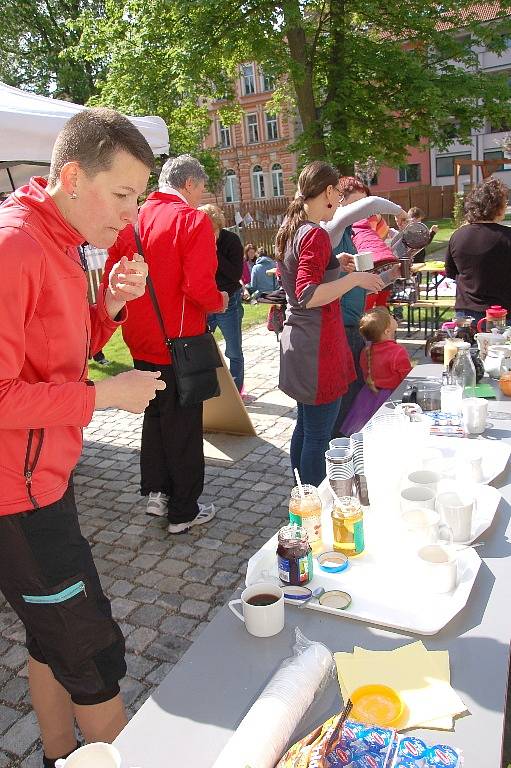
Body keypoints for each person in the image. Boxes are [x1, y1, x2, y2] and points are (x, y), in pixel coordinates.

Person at [0, 108, 166, 766]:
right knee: (91, 653)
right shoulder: (15, 246)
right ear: (71, 177)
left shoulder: (59, 238)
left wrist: (111, 309)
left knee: (50, 641)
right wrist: (104, 396)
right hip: (20, 498)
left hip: (44, 482)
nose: (130, 215)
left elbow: (60, 356)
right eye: (122, 195)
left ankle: (59, 756)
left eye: (138, 197)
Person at [103, 155, 228, 532]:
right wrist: (219, 300)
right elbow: (198, 285)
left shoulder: (133, 218)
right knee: (184, 426)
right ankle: (183, 510)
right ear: (189, 185)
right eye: (201, 188)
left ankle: (158, 495)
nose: (200, 195)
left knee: (155, 419)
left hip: (141, 340)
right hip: (179, 343)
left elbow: (116, 275)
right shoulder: (191, 219)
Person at [276, 161, 384, 487]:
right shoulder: (316, 235)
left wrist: (336, 265)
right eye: (338, 193)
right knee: (319, 435)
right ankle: (314, 503)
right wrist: (355, 280)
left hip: (301, 342)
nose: (339, 201)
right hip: (317, 348)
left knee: (307, 426)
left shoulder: (294, 228)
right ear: (327, 192)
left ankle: (302, 494)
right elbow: (307, 294)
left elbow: (302, 275)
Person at [321, 176, 405, 437]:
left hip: (356, 324)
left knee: (355, 392)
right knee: (344, 398)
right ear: (340, 202)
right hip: (341, 326)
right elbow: (370, 204)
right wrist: (401, 213)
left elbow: (367, 284)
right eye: (358, 206)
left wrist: (392, 274)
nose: (364, 213)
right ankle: (341, 450)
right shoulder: (333, 230)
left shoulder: (354, 236)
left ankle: (347, 445)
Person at [445, 177, 511, 325]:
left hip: (466, 311)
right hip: (503, 313)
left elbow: (451, 272)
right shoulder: (507, 237)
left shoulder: (458, 236)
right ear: (497, 207)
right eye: (504, 203)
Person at [340, 307, 412, 435]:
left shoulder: (366, 351)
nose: (393, 316)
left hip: (368, 396)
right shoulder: (398, 352)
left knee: (367, 433)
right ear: (387, 330)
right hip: (392, 398)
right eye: (390, 317)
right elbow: (407, 378)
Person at [199, 204, 245, 392]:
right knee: (201, 349)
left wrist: (214, 252)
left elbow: (235, 274)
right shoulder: (197, 243)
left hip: (229, 302)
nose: (209, 235)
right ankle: (208, 388)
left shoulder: (231, 241)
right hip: (206, 303)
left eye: (213, 231)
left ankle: (236, 389)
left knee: (233, 350)